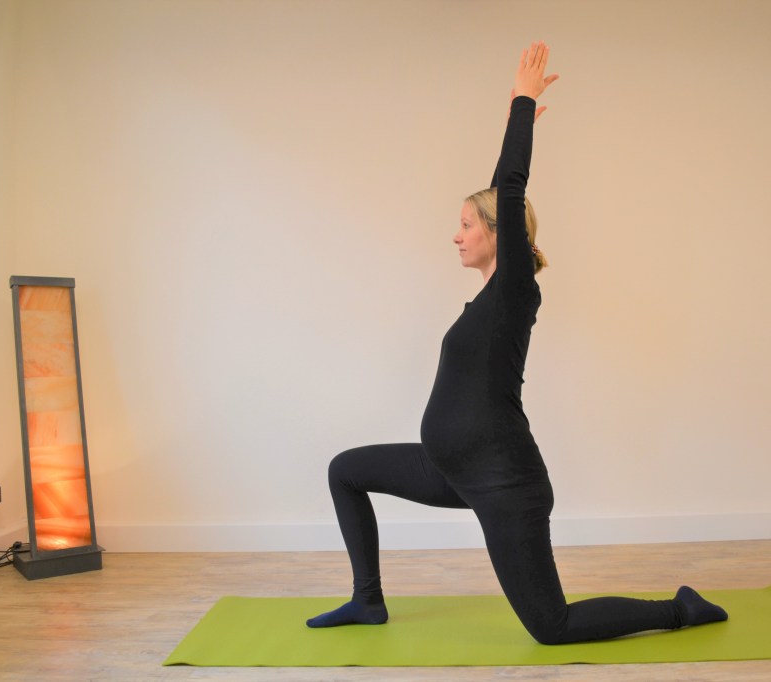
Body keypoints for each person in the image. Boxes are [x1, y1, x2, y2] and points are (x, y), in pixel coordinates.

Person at [306, 42, 727, 644]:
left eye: (466, 225)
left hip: (505, 484)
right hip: (449, 469)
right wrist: (513, 114)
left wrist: (523, 105)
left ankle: (680, 609)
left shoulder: (515, 287)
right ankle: (367, 600)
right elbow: (497, 199)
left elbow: (509, 184)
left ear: (497, 231)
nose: (456, 236)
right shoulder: (488, 297)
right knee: (346, 471)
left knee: (551, 626)